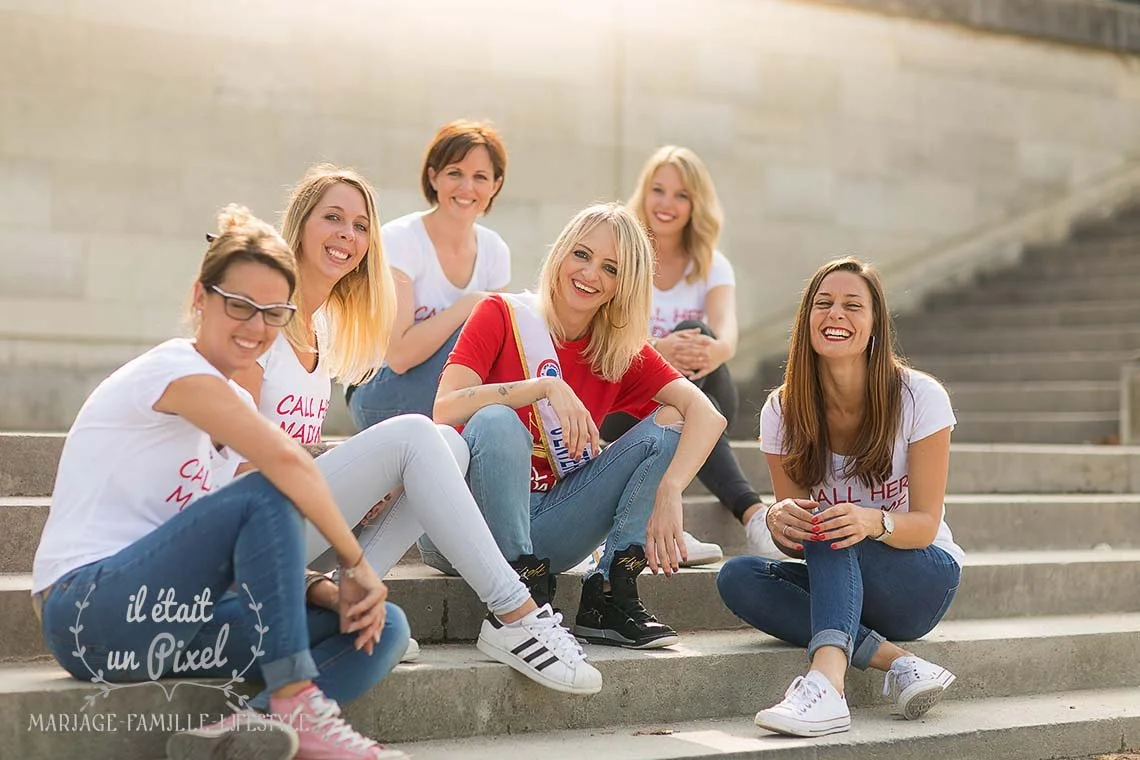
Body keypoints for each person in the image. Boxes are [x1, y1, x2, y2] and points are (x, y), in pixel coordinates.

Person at [32, 206, 409, 760]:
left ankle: (246, 733)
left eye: (273, 313)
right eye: (239, 305)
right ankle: (298, 704)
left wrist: (321, 588)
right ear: (199, 298)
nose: (256, 327)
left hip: (172, 623)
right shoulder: (174, 372)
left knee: (382, 626)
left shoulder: (233, 404)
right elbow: (285, 470)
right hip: (91, 613)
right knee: (269, 489)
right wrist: (355, 566)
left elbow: (241, 542)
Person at [235, 164, 601, 696]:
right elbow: (232, 458)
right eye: (332, 218)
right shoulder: (263, 318)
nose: (348, 235)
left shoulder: (319, 327)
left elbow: (288, 441)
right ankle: (516, 614)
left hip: (287, 517)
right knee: (415, 435)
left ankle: (354, 590)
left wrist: (357, 471)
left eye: (361, 226)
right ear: (299, 224)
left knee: (448, 444)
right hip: (243, 529)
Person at [431, 202, 727, 650]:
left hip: (546, 530)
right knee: (496, 420)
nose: (590, 274)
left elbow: (707, 414)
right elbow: (445, 409)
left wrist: (671, 489)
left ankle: (608, 594)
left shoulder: (616, 351)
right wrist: (541, 389)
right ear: (562, 253)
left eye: (610, 268)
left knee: (669, 422)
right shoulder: (501, 314)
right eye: (582, 255)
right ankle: (518, 601)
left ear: (621, 286)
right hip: (462, 525)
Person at [716, 257, 963, 738]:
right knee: (737, 576)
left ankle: (827, 683)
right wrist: (779, 520)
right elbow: (797, 541)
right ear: (806, 318)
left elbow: (925, 525)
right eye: (823, 303)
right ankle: (900, 663)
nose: (836, 315)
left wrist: (873, 522)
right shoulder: (782, 410)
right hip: (842, 581)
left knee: (832, 524)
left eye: (853, 306)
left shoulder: (920, 398)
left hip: (919, 577)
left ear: (874, 325)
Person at [604, 145, 780, 564]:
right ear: (644, 194)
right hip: (626, 400)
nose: (667, 204)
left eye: (681, 195)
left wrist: (708, 347)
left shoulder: (711, 263)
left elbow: (726, 333)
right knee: (689, 388)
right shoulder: (622, 256)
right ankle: (752, 513)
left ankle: (664, 505)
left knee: (697, 334)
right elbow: (605, 337)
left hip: (701, 387)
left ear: (695, 204)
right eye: (658, 190)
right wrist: (658, 351)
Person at [347, 120, 510, 428]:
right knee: (480, 324)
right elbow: (399, 356)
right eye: (454, 173)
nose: (466, 188)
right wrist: (472, 303)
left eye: (480, 177)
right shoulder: (401, 240)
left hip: (446, 395)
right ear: (434, 177)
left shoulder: (494, 250)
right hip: (380, 391)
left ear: (495, 185)